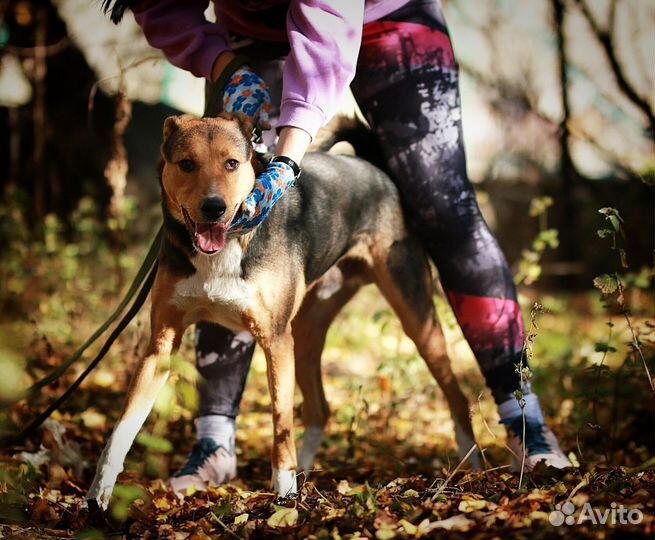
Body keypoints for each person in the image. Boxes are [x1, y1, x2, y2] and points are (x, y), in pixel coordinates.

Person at [102, 0, 571, 493]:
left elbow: (326, 29)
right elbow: (160, 5)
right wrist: (223, 62)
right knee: (222, 235)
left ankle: (525, 422)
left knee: (443, 203)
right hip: (250, 37)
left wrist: (286, 161)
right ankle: (215, 441)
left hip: (386, 16)